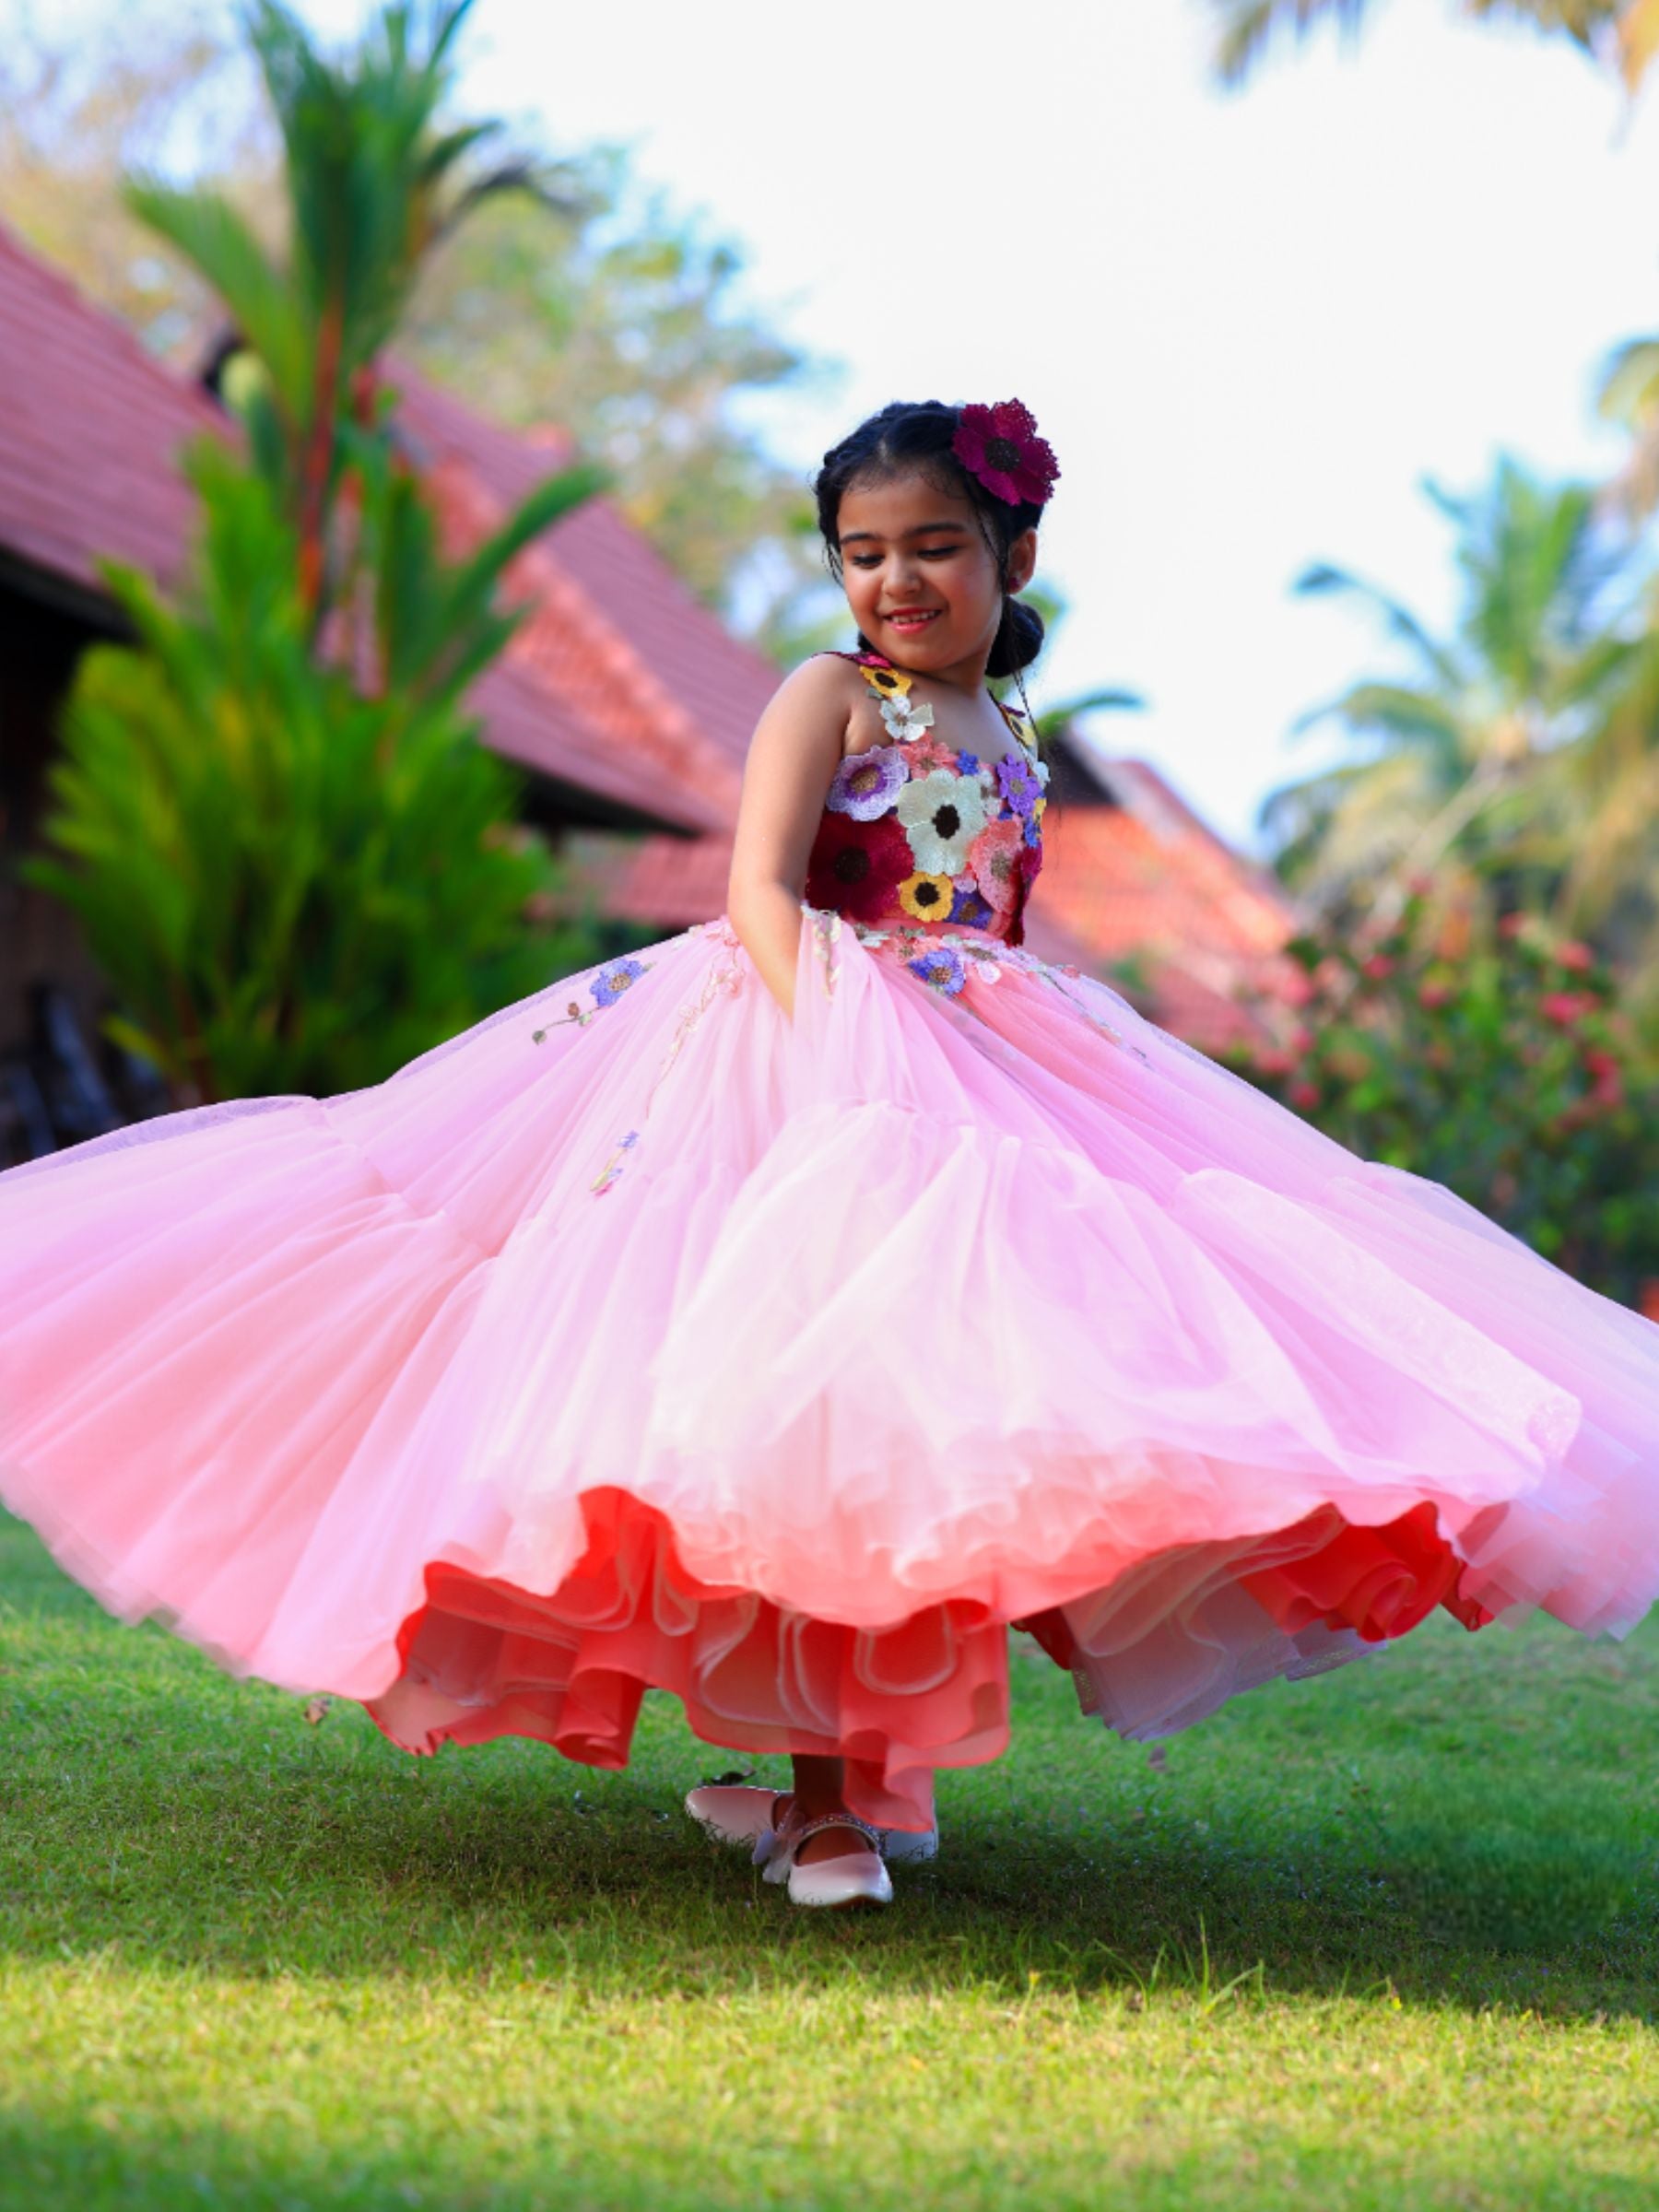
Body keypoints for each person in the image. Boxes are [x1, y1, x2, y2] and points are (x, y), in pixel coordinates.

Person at [4, 398, 1658, 1912]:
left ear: (1012, 553)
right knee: (800, 1407)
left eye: (933, 546)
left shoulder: (1013, 736)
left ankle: (847, 1770)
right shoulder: (831, 698)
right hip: (786, 1043)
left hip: (985, 1054)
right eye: (864, 553)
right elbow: (757, 887)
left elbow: (998, 924)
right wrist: (829, 1056)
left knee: (945, 1420)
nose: (897, 581)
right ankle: (819, 1804)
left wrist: (997, 1063)